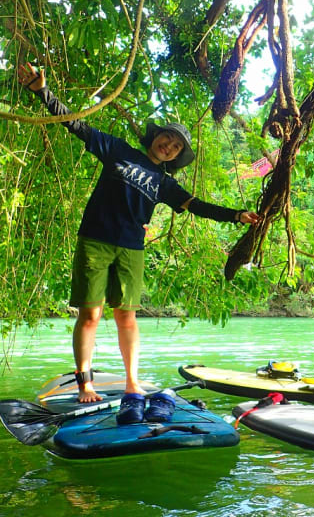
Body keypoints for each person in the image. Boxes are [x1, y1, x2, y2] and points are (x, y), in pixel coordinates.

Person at [18, 62, 261, 423]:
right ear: (155, 137)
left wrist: (237, 215)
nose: (169, 145)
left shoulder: (165, 184)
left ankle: (133, 381)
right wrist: (42, 91)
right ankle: (85, 382)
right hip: (96, 241)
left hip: (131, 248)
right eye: (167, 138)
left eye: (176, 146)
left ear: (177, 156)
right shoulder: (118, 151)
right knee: (90, 315)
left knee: (127, 317)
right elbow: (77, 125)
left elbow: (199, 207)